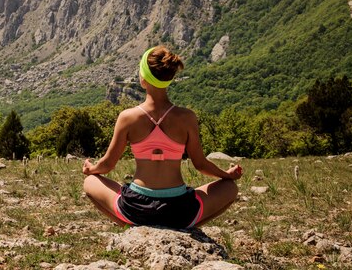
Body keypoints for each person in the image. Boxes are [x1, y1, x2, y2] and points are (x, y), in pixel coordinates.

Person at [83, 46, 242, 228]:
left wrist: (91, 169)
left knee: (90, 182)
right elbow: (200, 164)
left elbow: (108, 165)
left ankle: (130, 225)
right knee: (230, 188)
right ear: (169, 78)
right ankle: (186, 227)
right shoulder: (187, 117)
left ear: (143, 79)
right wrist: (226, 175)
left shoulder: (128, 117)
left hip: (136, 208)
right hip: (179, 209)